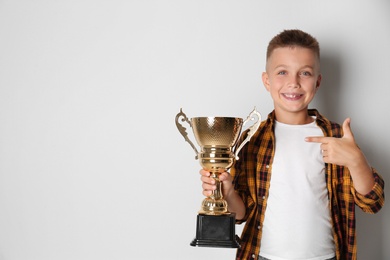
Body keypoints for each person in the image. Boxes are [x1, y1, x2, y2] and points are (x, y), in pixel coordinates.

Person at [200, 29, 385, 260]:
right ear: (266, 81)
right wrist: (226, 192)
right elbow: (241, 214)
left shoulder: (337, 136)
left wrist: (356, 160)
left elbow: (372, 203)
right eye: (282, 72)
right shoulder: (250, 139)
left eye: (305, 73)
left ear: (317, 82)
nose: (293, 82)